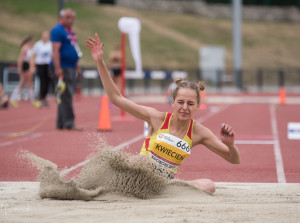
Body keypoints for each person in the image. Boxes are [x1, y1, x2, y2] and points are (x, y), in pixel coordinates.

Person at [86, 33, 240, 194]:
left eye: (190, 104)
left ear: (197, 107)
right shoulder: (156, 118)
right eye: (180, 102)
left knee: (209, 185)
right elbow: (116, 98)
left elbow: (234, 160)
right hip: (137, 176)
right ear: (172, 103)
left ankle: (166, 190)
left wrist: (230, 145)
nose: (185, 107)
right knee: (142, 160)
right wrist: (100, 62)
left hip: (163, 185)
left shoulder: (199, 132)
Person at [50, 8, 82, 130]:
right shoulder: (57, 30)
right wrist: (58, 68)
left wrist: (77, 66)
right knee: (66, 94)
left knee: (64, 96)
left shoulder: (71, 32)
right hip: (62, 67)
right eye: (68, 17)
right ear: (61, 18)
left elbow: (75, 49)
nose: (71, 20)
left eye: (72, 18)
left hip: (71, 67)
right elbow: (55, 50)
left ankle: (61, 122)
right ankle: (69, 122)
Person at [10, 36, 36, 107]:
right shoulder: (25, 48)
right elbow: (20, 59)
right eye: (32, 41)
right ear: (29, 41)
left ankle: (13, 99)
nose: (33, 43)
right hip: (25, 66)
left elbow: (31, 59)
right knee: (26, 83)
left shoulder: (29, 48)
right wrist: (20, 69)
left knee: (26, 83)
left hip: (27, 66)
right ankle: (31, 100)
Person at [31, 31, 52, 107]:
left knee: (48, 82)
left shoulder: (50, 44)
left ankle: (44, 98)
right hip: (40, 65)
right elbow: (33, 56)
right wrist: (33, 66)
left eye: (47, 36)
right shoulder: (38, 44)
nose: (45, 37)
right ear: (41, 36)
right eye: (44, 35)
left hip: (48, 65)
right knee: (42, 81)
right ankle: (41, 98)